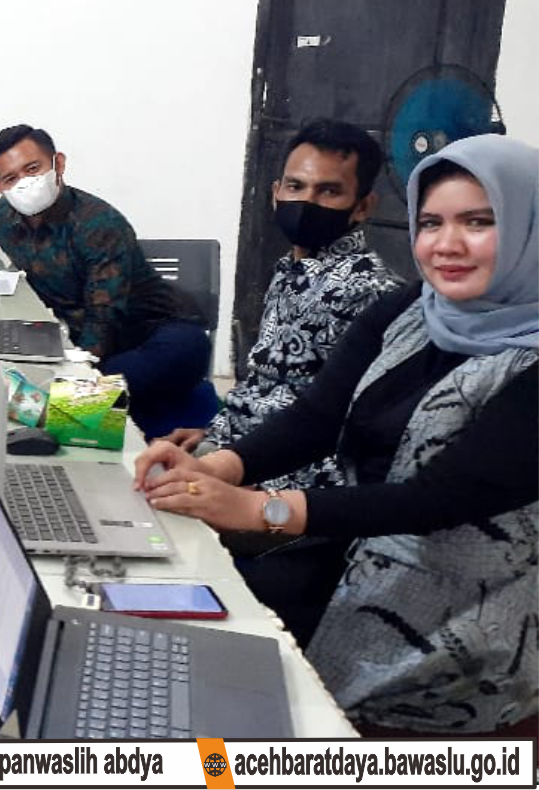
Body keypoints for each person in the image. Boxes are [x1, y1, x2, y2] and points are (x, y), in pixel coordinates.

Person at [134, 134, 539, 735]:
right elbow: (319, 416)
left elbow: (438, 500)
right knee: (184, 626)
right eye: (431, 222)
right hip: (347, 550)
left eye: (479, 222)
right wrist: (220, 466)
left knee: (258, 699)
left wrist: (259, 509)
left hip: (453, 619)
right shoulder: (414, 309)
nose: (447, 244)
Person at [163, 119, 402, 494]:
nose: (307, 202)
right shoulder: (289, 270)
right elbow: (265, 386)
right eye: (296, 186)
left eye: (329, 191)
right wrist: (213, 436)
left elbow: (338, 430)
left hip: (289, 486)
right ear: (276, 193)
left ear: (362, 207)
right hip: (241, 455)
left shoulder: (369, 291)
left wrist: (236, 480)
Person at [0, 124, 211, 437]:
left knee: (75, 395)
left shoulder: (99, 224)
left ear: (58, 163)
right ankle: (78, 405)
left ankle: (79, 413)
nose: (24, 183)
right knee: (28, 381)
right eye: (11, 178)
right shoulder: (4, 214)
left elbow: (104, 318)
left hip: (152, 333)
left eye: (33, 169)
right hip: (77, 333)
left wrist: (75, 371)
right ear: (0, 186)